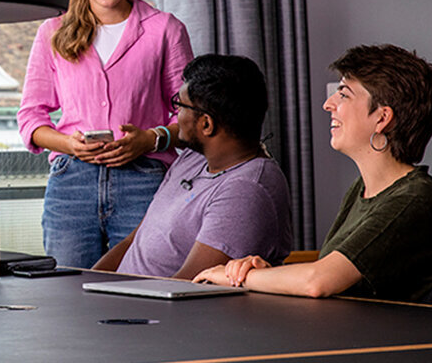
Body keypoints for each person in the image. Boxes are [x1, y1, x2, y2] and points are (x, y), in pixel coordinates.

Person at [195, 44, 432, 303]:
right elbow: (332, 278)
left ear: (382, 118)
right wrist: (268, 275)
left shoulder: (417, 200)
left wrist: (232, 276)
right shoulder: (363, 189)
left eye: (344, 95)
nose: (328, 104)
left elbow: (318, 282)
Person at [17, 0, 194, 268]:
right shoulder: (52, 32)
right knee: (68, 299)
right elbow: (30, 118)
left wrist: (149, 139)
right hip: (71, 186)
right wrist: (69, 144)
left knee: (143, 294)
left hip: (145, 181)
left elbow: (190, 118)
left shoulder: (165, 30)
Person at [92, 54, 293, 279]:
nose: (176, 115)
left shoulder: (246, 190)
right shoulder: (193, 158)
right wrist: (87, 284)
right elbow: (133, 241)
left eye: (179, 106)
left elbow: (186, 286)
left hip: (153, 311)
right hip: (119, 302)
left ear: (206, 124)